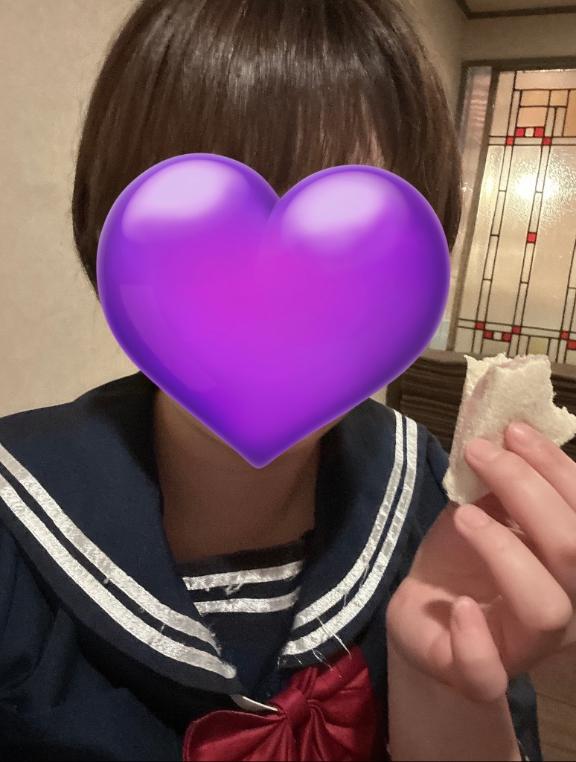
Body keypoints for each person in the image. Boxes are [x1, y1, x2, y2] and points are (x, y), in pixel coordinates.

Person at [0, 0, 550, 759]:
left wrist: (449, 695)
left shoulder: (434, 504)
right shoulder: (17, 525)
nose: (280, 299)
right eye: (206, 241)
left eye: (352, 240)